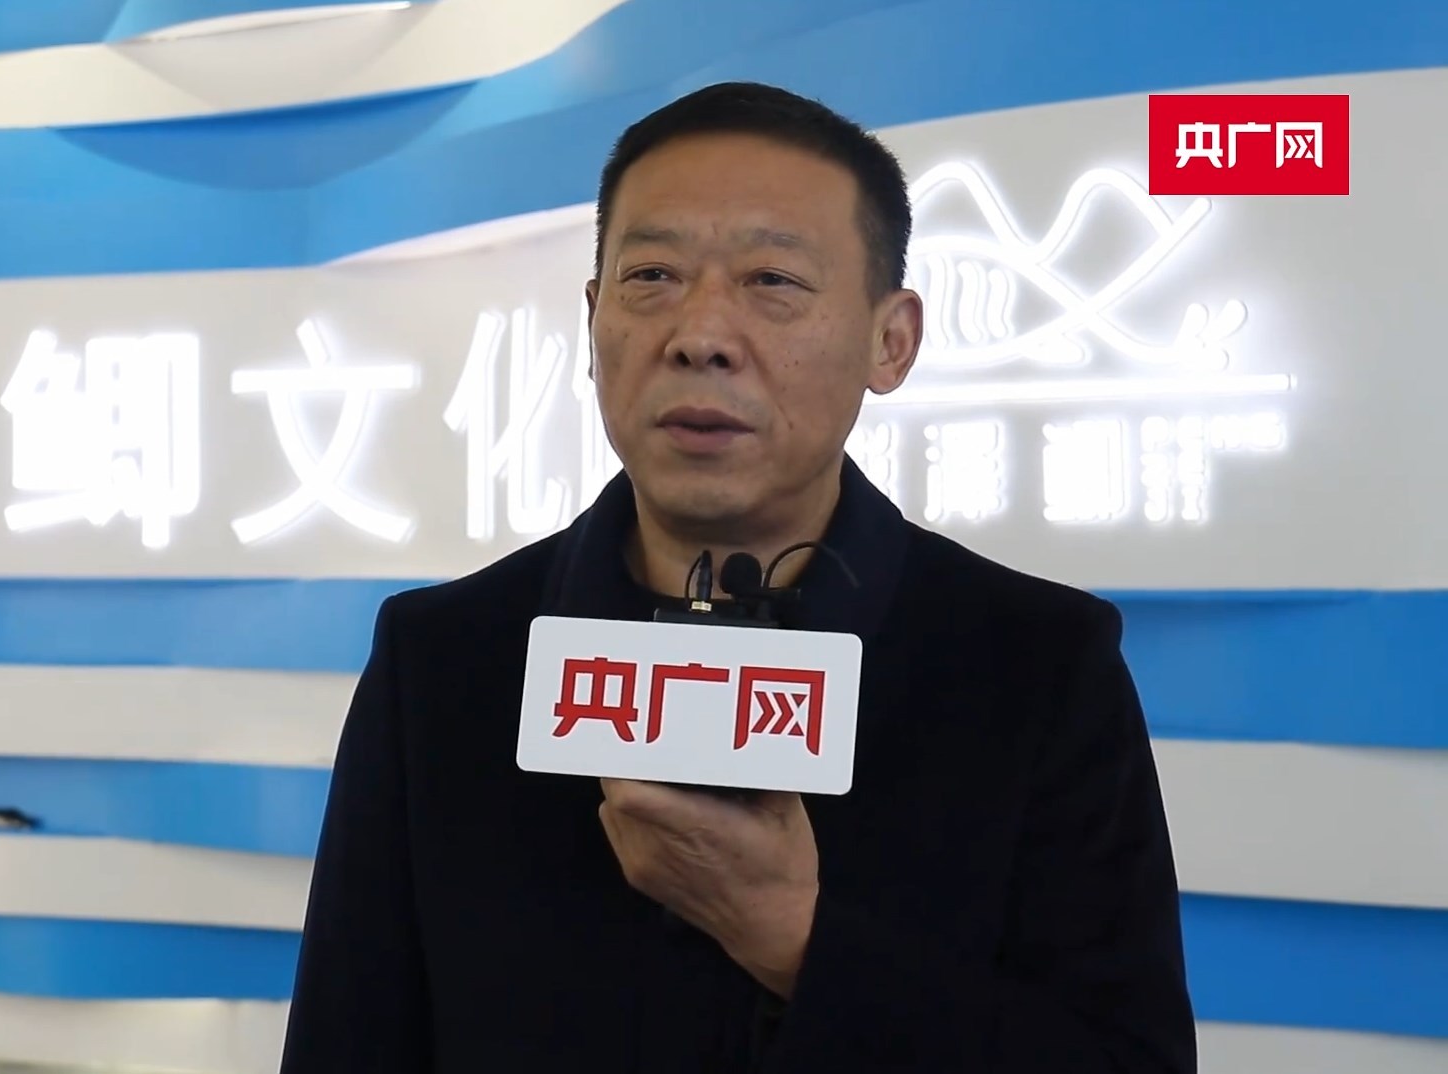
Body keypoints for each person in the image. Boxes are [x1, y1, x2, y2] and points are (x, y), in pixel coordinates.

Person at [279, 82, 1196, 1073]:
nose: (701, 335)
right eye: (652, 275)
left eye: (772, 280)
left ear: (891, 340)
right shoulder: (446, 658)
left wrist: (799, 939)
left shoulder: (1035, 665)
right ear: (592, 320)